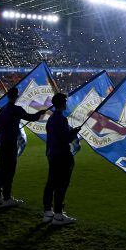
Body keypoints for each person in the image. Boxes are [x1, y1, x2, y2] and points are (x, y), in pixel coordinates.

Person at [0, 87, 48, 207]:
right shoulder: (16, 109)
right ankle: (7, 198)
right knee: (10, 169)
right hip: (10, 142)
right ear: (16, 96)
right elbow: (31, 118)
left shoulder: (2, 109)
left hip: (1, 141)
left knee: (1, 168)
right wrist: (40, 113)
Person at [42, 93, 79, 226]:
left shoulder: (51, 118)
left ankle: (48, 212)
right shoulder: (61, 119)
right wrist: (74, 132)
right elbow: (65, 138)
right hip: (62, 155)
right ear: (62, 103)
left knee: (51, 183)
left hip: (53, 154)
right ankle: (58, 215)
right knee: (61, 185)